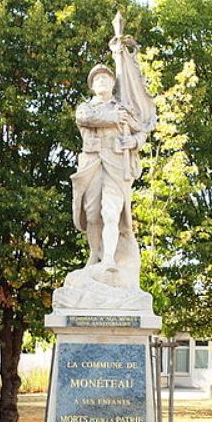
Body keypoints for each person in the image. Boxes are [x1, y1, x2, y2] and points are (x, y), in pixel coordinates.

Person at [70, 64, 144, 284]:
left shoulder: (124, 109)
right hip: (92, 163)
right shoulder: (86, 108)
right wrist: (114, 117)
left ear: (113, 83)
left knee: (111, 212)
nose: (102, 81)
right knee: (92, 214)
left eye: (106, 78)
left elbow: (140, 131)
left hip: (116, 164)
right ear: (92, 86)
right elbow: (87, 119)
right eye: (97, 79)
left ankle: (109, 259)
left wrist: (134, 140)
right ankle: (96, 253)